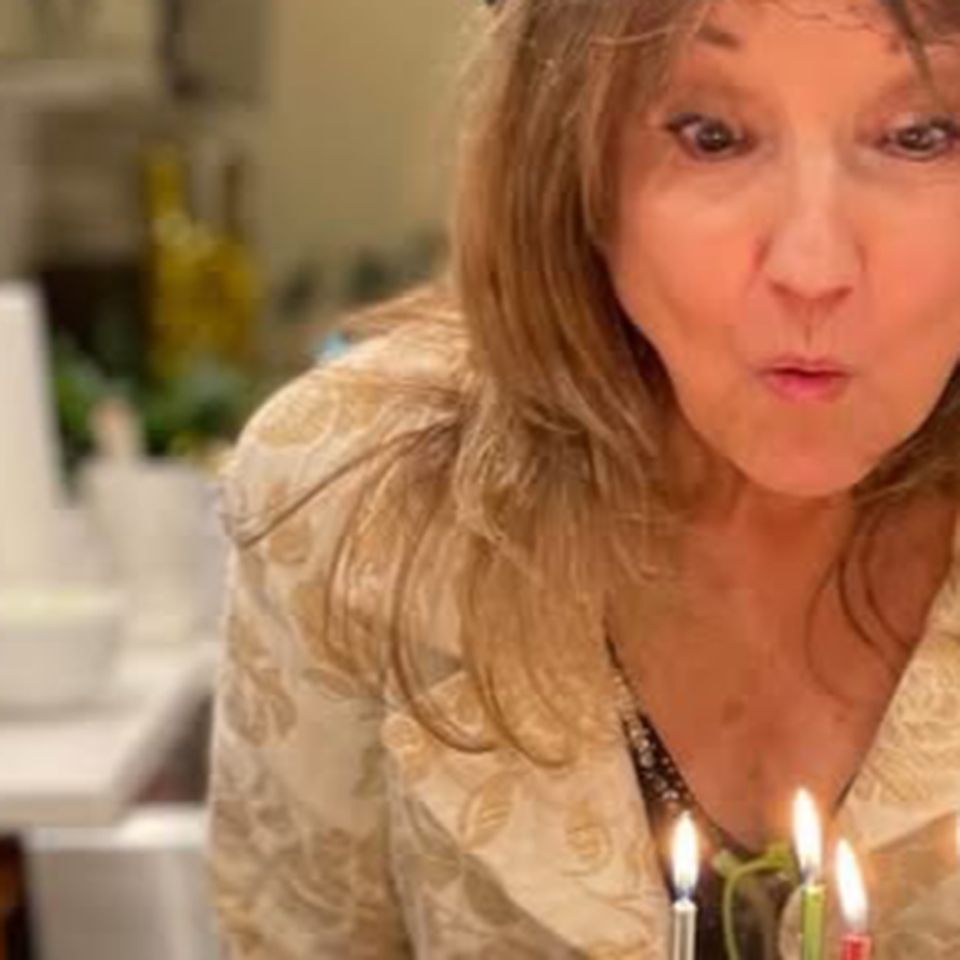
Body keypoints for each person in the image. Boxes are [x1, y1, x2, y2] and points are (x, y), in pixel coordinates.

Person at [206, 0, 960, 956]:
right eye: (711, 135)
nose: (812, 268)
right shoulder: (350, 491)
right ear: (571, 167)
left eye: (923, 135)